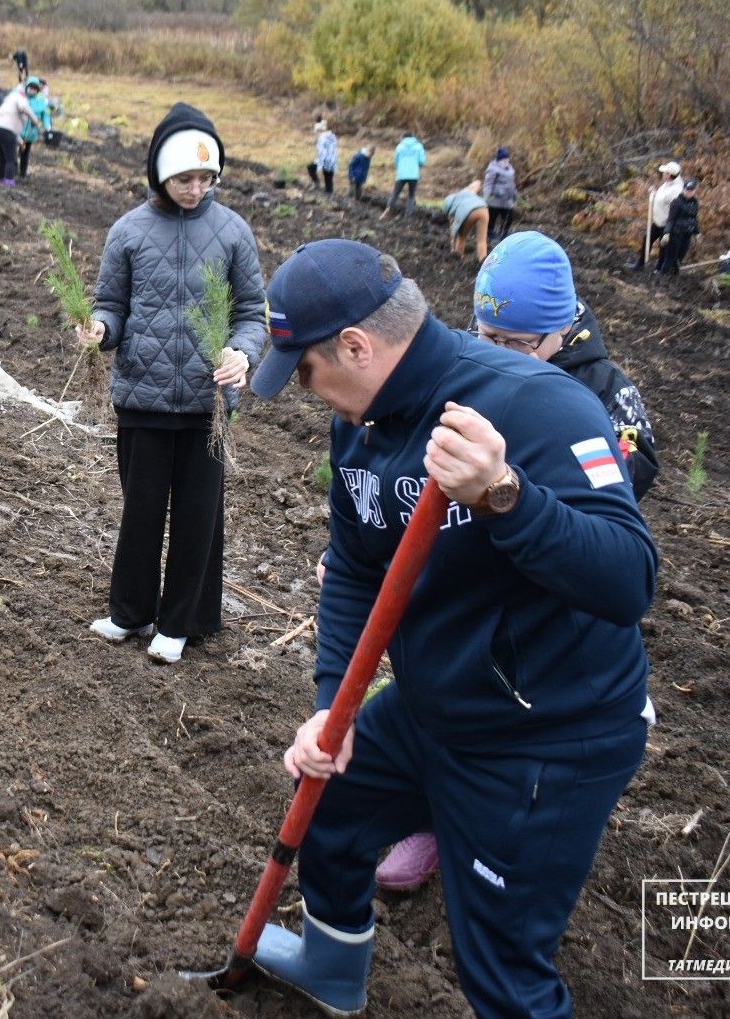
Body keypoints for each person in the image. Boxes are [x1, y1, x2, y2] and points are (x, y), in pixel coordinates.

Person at [247, 237, 655, 1019]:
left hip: (545, 737)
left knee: (500, 967)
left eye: (304, 370)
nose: (303, 389)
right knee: (327, 803)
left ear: (358, 347)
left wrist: (506, 494)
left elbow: (628, 579)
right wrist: (336, 708)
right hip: (439, 704)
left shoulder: (536, 404)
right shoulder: (363, 425)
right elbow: (356, 570)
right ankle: (331, 970)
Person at [376, 230, 661, 892]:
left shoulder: (602, 390)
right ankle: (428, 817)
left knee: (523, 712)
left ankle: (509, 837)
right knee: (439, 688)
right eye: (488, 335)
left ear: (562, 328)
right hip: (465, 574)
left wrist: (546, 475)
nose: (500, 353)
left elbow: (636, 465)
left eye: (519, 344)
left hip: (550, 582)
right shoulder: (465, 363)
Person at [80, 103, 267, 665]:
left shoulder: (233, 231)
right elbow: (111, 305)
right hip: (142, 395)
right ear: (158, 172)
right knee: (140, 510)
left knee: (196, 516)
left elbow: (252, 314)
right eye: (185, 177)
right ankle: (129, 613)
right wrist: (99, 330)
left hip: (207, 403)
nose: (196, 188)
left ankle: (181, 621)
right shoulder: (129, 231)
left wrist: (241, 352)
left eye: (206, 178)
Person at [0, 82, 38, 187]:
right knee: (11, 159)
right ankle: (9, 183)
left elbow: (10, 128)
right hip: (6, 131)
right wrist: (35, 120)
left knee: (2, 157)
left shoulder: (6, 103)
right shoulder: (19, 98)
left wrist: (21, 142)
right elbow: (23, 108)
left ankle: (0, 180)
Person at [641, 161, 682, 270]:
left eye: (665, 172)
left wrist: (669, 228)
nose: (663, 174)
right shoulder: (666, 185)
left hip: (666, 223)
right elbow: (661, 199)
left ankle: (659, 269)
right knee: (647, 239)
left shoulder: (676, 190)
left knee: (663, 247)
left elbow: (674, 209)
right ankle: (640, 264)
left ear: (669, 175)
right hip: (657, 221)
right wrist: (654, 192)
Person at [659, 178, 700, 275]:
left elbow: (694, 218)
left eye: (691, 190)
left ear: (694, 190)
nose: (689, 192)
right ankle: (662, 276)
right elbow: (671, 219)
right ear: (683, 189)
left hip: (687, 234)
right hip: (675, 234)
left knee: (680, 258)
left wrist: (697, 232)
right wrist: (666, 233)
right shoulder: (676, 202)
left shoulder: (695, 202)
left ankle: (674, 278)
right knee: (670, 257)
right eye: (687, 190)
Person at [443, 179, 490, 263]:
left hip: (470, 212)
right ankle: (483, 263)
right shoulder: (465, 193)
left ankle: (457, 259)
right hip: (483, 208)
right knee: (482, 240)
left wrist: (452, 248)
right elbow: (476, 184)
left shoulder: (453, 210)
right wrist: (478, 182)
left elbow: (454, 231)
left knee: (461, 237)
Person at [14, 77, 51, 181]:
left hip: (30, 134)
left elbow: (45, 115)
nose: (32, 90)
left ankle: (23, 174)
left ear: (37, 90)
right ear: (26, 88)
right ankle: (13, 170)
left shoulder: (40, 102)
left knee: (25, 154)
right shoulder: (20, 99)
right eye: (30, 88)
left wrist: (47, 126)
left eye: (34, 89)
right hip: (18, 132)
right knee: (13, 152)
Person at [383, 133, 425, 219]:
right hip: (413, 175)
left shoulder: (400, 146)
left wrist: (399, 168)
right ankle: (408, 215)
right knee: (411, 195)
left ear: (404, 138)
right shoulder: (419, 146)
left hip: (401, 174)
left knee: (395, 193)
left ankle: (388, 211)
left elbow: (396, 161)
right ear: (413, 137)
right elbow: (421, 161)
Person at [481, 146, 516, 241]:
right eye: (503, 159)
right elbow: (488, 184)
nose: (506, 161)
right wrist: (487, 198)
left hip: (507, 199)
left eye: (507, 159)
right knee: (492, 218)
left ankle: (504, 233)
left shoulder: (510, 169)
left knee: (508, 217)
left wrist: (514, 194)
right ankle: (490, 233)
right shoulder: (492, 169)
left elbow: (512, 183)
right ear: (499, 160)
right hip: (495, 200)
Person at [308, 119, 337, 194]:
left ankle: (317, 184)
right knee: (329, 180)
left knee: (311, 167)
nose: (315, 134)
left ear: (319, 130)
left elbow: (322, 152)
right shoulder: (332, 136)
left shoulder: (322, 138)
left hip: (325, 161)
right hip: (332, 161)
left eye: (316, 131)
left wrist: (319, 164)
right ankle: (330, 195)